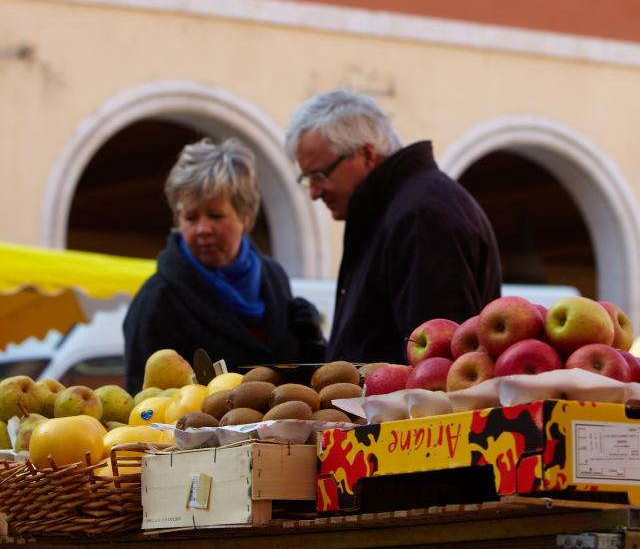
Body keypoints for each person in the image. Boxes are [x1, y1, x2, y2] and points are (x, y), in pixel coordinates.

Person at [285, 89, 502, 364]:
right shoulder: (400, 210)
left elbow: (436, 364)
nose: (314, 192)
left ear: (366, 155)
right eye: (307, 179)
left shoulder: (421, 217)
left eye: (319, 175)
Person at [123, 137, 326, 394]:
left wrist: (313, 342)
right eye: (191, 217)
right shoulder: (157, 301)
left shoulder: (274, 278)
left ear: (246, 216)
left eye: (216, 215)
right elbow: (144, 406)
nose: (203, 229)